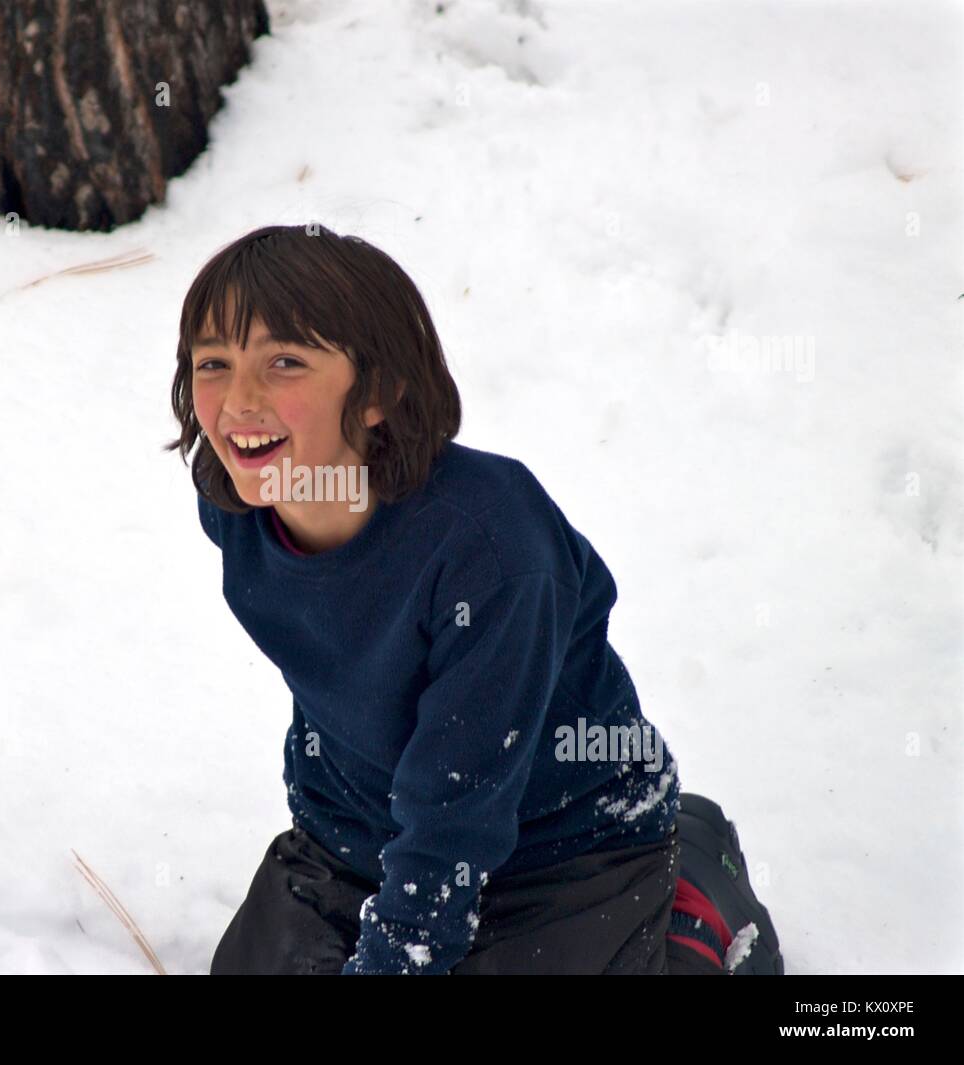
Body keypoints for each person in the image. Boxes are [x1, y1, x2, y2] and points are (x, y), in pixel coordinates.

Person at [163, 224, 784, 975]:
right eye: (213, 364)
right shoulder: (236, 508)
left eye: (285, 361)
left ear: (380, 391)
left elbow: (459, 805)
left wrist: (398, 955)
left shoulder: (490, 550)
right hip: (356, 833)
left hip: (562, 845)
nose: (239, 400)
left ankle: (693, 901)